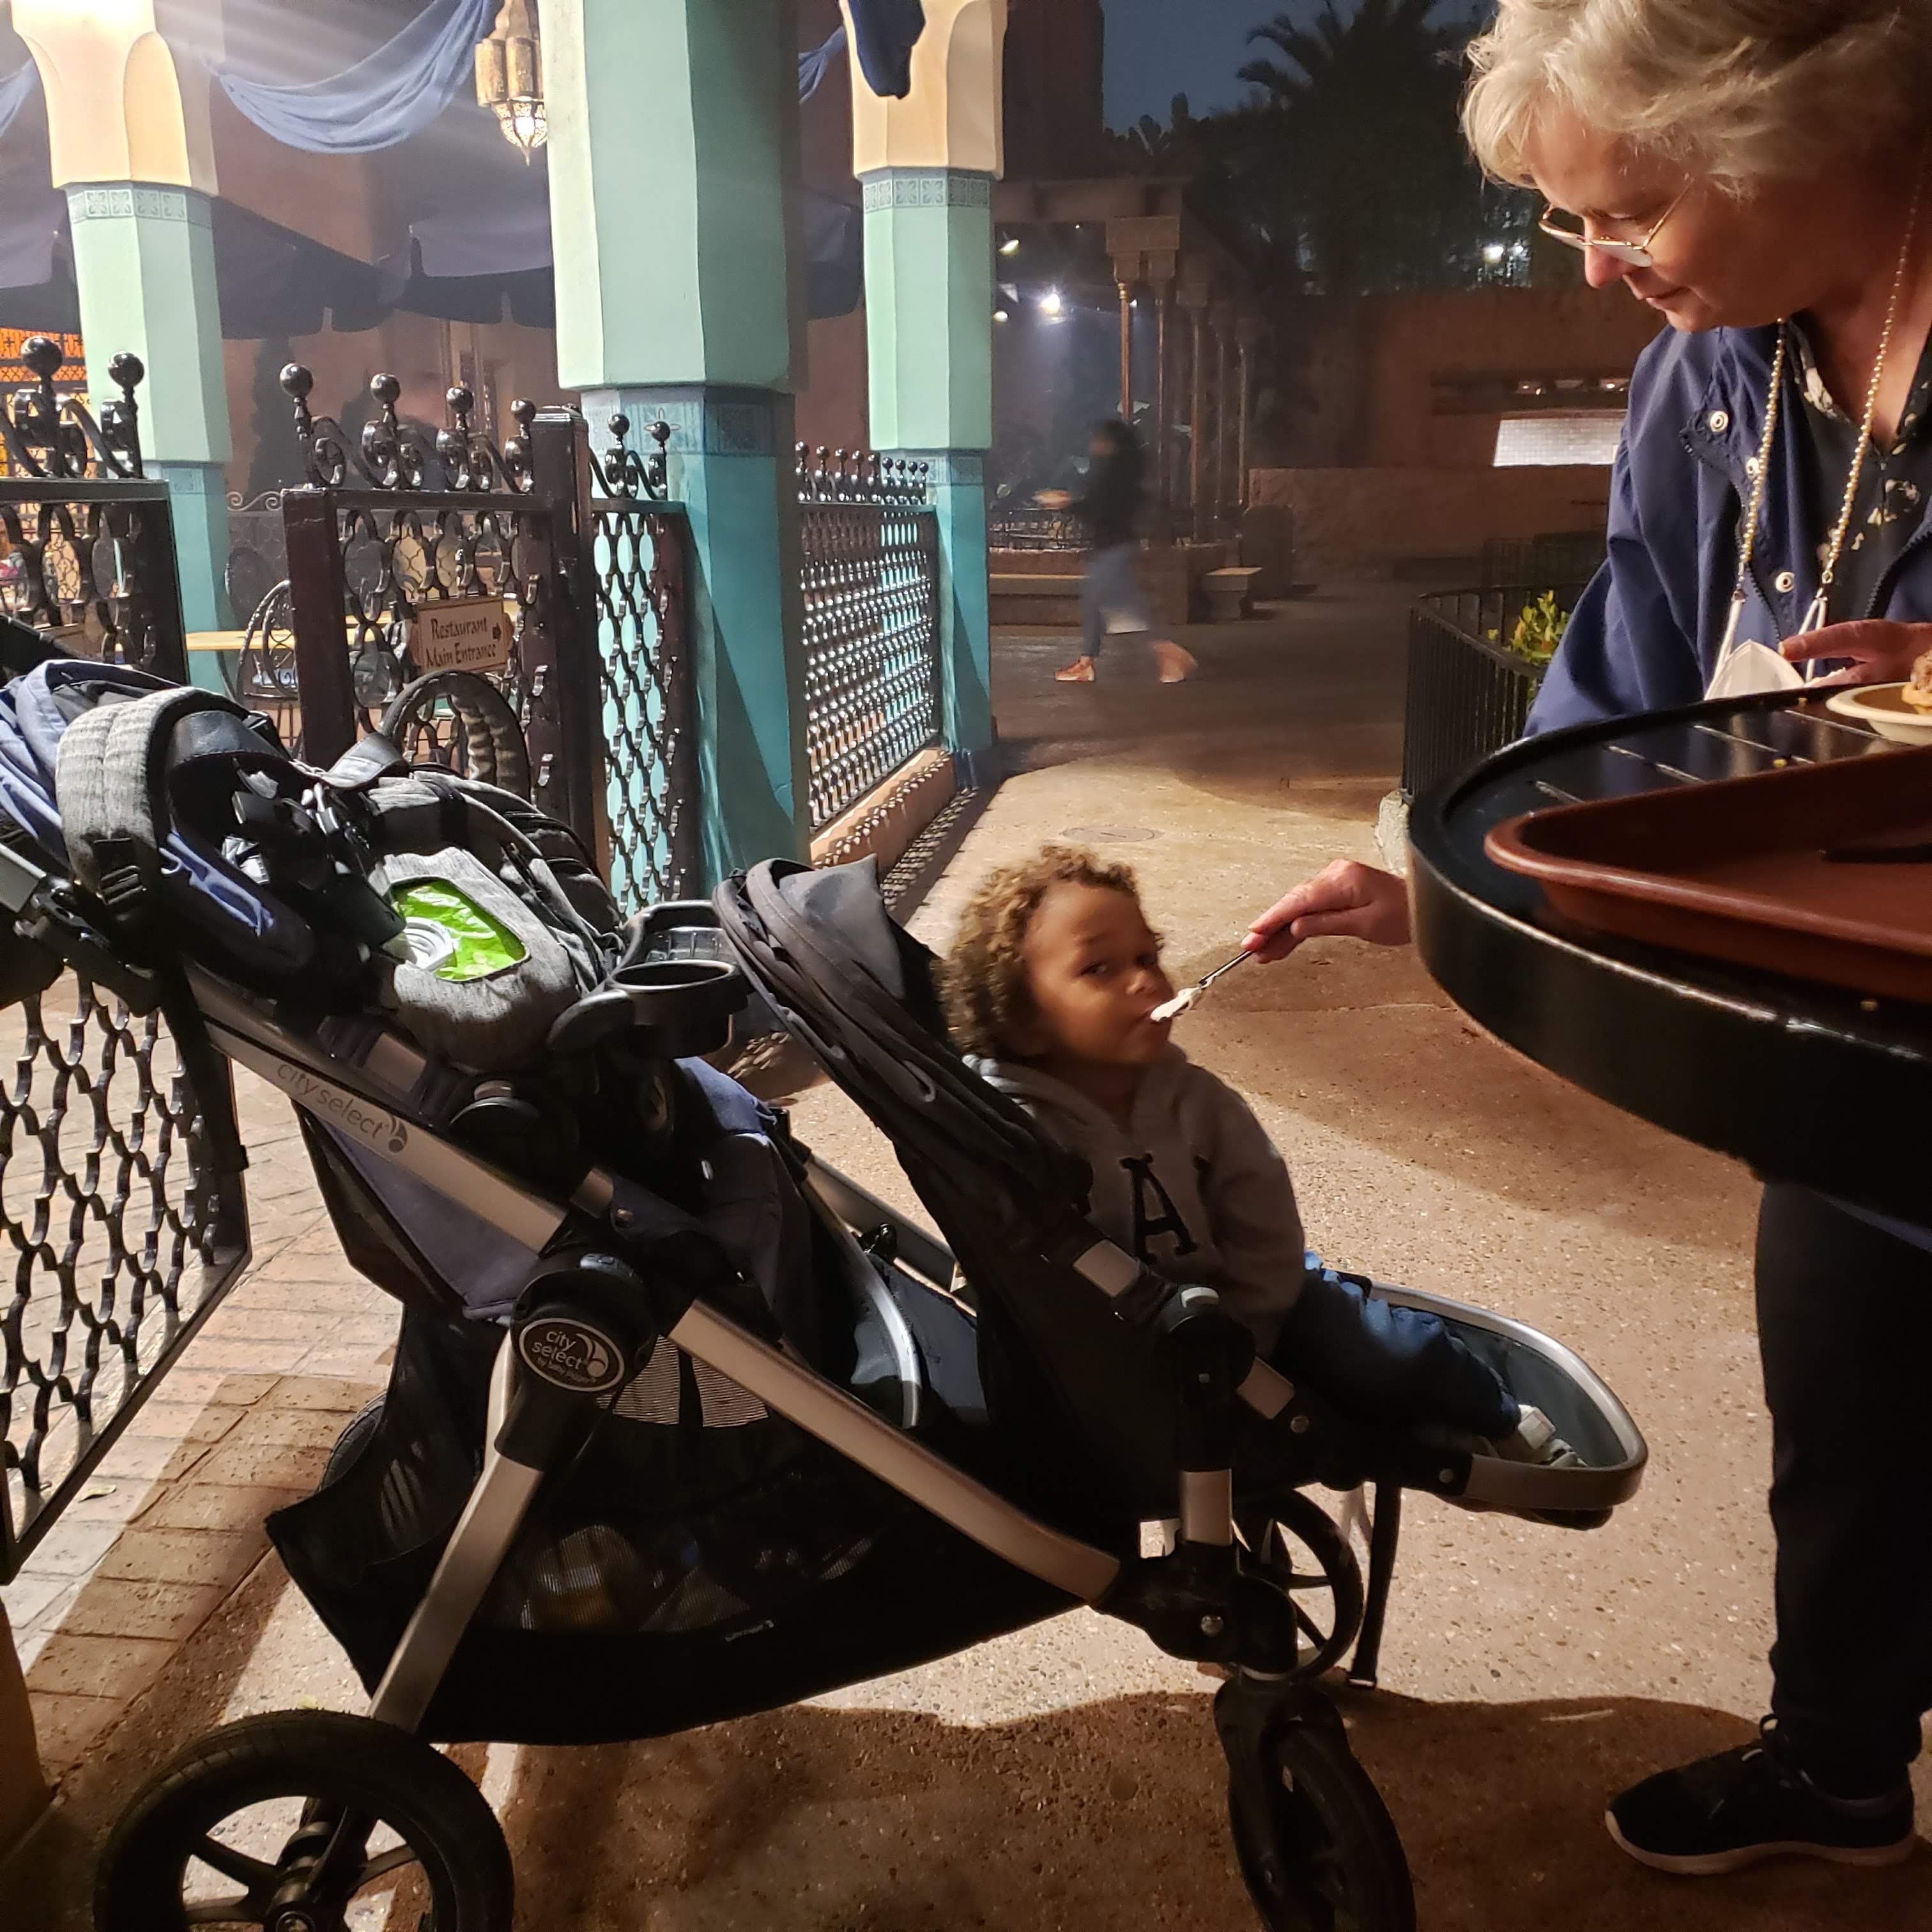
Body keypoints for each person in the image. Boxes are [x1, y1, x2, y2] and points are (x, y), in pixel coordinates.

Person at [1249, 0, 1932, 1880]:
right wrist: (1437, 881)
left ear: (1814, 125)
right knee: (1848, 1399)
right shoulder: (1706, 385)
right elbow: (1612, 711)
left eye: (1631, 210)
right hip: (1850, 1053)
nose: (1598, 269)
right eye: (1569, 222)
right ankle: (1839, 1765)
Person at [940, 844, 1579, 1460]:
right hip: (1117, 1347)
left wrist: (1251, 1327)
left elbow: (1265, 1228)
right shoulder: (1006, 1125)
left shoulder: (1200, 1103)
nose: (1144, 980)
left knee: (1390, 1351)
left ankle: (1498, 1416)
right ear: (1021, 1017)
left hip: (1251, 1304)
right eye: (1099, 969)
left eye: (1147, 955)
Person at [1038, 421, 1197, 686]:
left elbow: (1099, 512)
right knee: (1095, 602)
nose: (1094, 445)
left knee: (1127, 608)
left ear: (1112, 444)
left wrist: (1068, 504)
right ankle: (1086, 661)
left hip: (1113, 550)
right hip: (1114, 549)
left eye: (1099, 440)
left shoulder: (1111, 476)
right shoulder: (1123, 473)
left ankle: (1169, 652)